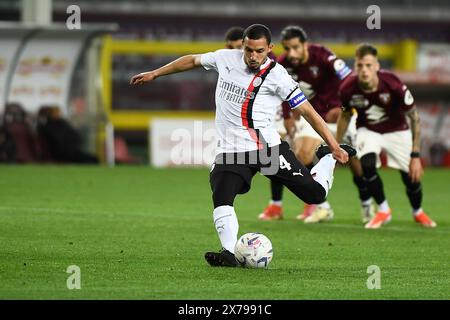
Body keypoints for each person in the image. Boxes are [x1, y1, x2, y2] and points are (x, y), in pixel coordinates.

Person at [130, 24, 355, 267]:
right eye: (248, 50)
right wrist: (155, 73)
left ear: (269, 48)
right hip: (231, 151)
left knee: (315, 195)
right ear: (243, 46)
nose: (253, 56)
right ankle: (228, 252)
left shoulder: (278, 76)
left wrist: (333, 146)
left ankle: (325, 159)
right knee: (222, 194)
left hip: (266, 149)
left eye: (259, 51)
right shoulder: (225, 58)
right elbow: (192, 60)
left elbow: (308, 111)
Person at [259, 25, 373, 223]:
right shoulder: (283, 64)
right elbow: (280, 90)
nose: (291, 53)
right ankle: (322, 206)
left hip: (340, 117)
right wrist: (287, 116)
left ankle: (366, 205)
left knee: (356, 164)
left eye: (295, 47)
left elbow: (350, 79)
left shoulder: (323, 56)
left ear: (305, 45)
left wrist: (344, 106)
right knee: (301, 155)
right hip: (315, 117)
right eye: (287, 48)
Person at [337, 43, 436, 229]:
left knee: (411, 177)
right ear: (355, 66)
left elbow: (414, 118)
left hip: (397, 130)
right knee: (366, 164)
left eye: (368, 65)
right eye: (360, 65)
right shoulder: (347, 89)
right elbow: (345, 115)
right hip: (369, 130)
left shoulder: (393, 84)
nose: (364, 70)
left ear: (377, 66)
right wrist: (336, 144)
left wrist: (415, 155)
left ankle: (418, 212)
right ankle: (383, 210)